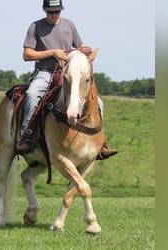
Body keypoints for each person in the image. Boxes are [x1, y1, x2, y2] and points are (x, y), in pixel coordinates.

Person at [17, 0, 117, 160]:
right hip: (46, 72)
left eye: (57, 11)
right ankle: (26, 136)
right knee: (32, 94)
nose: (54, 15)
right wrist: (52, 52)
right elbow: (27, 55)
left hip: (69, 73)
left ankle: (100, 143)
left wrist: (85, 49)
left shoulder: (69, 25)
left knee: (99, 102)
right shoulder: (35, 27)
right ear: (44, 10)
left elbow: (80, 45)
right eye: (51, 12)